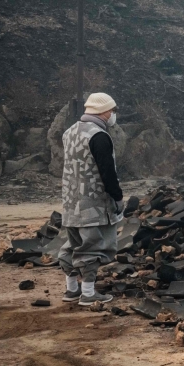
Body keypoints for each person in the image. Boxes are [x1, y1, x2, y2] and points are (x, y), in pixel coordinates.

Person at [59, 92, 124, 306]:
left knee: (72, 245)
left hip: (70, 202)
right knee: (93, 246)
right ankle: (88, 293)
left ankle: (71, 290)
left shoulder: (69, 132)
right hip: (93, 204)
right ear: (103, 111)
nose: (113, 114)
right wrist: (117, 197)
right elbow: (107, 171)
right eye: (112, 110)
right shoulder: (98, 135)